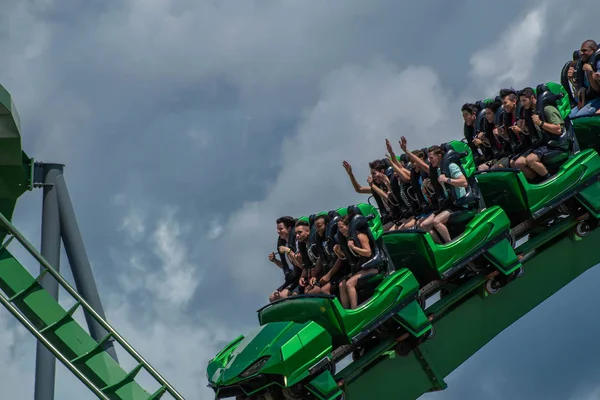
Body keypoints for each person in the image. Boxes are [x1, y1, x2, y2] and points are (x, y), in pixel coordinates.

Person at [400, 137, 469, 244]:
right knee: (424, 225)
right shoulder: (437, 171)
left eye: (431, 158)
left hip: (461, 202)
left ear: (439, 156)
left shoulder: (451, 166)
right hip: (449, 203)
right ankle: (441, 245)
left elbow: (464, 182)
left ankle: (451, 244)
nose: (429, 160)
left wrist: (447, 179)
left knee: (436, 221)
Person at [518, 87, 566, 181]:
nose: (523, 104)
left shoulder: (547, 109)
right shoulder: (531, 112)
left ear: (532, 98)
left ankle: (550, 180)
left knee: (530, 159)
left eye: (524, 100)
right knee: (519, 163)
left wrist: (541, 123)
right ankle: (537, 181)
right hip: (543, 144)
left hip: (557, 143)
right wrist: (523, 128)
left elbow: (558, 130)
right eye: (521, 102)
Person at [336, 216, 379, 309]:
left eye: (341, 227)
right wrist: (339, 252)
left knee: (349, 283)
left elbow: (368, 253)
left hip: (373, 267)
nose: (340, 230)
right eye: (338, 228)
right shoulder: (348, 239)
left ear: (348, 226)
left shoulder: (360, 236)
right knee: (341, 285)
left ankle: (354, 309)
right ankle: (346, 310)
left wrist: (354, 247)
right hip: (362, 268)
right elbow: (351, 257)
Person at [342, 159, 396, 231]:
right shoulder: (377, 187)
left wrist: (373, 186)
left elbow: (389, 199)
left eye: (374, 173)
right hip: (387, 218)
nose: (372, 176)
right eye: (371, 174)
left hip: (396, 216)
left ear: (382, 172)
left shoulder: (389, 183)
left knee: (380, 233)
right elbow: (359, 189)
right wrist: (350, 174)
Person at [268, 216, 300, 303]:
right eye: (277, 229)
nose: (278, 231)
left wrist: (288, 251)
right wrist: (275, 261)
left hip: (299, 275)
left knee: (283, 295)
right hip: (290, 277)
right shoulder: (283, 244)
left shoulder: (296, 242)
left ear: (289, 228)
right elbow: (286, 266)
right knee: (272, 298)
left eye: (281, 229)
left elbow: (300, 263)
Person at [570, 40, 600, 118]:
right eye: (581, 51)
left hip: (597, 98)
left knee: (580, 116)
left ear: (593, 50)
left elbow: (597, 88)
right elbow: (578, 86)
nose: (582, 53)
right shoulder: (581, 64)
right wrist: (572, 78)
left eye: (585, 50)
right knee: (570, 116)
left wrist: (591, 72)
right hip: (586, 99)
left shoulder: (597, 62)